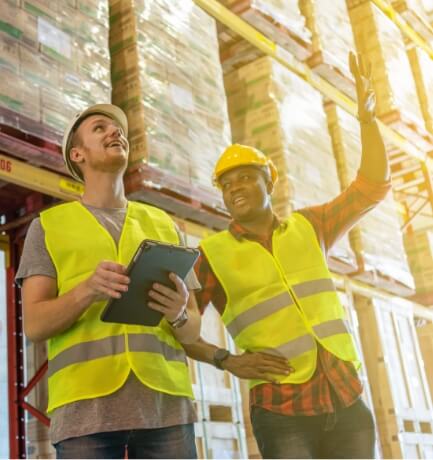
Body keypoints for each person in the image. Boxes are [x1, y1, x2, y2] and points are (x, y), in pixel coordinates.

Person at [183, 52, 389, 459]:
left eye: (245, 177)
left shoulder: (308, 227)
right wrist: (225, 360)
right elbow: (181, 326)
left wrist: (368, 121)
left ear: (268, 184)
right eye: (226, 184)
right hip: (283, 411)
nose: (235, 187)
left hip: (346, 397)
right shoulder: (210, 254)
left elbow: (371, 188)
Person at [17, 104, 201, 459]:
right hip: (86, 414)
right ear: (77, 153)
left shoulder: (165, 226)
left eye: (118, 129)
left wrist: (179, 313)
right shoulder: (49, 227)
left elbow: (191, 330)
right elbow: (36, 325)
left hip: (166, 409)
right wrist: (88, 290)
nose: (115, 132)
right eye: (100, 128)